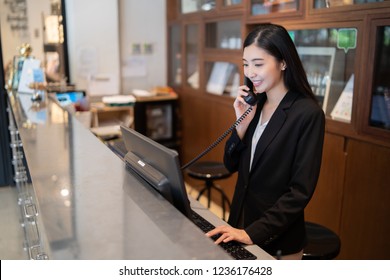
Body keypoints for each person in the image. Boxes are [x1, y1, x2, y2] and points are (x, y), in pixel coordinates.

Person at [206, 23, 325, 260]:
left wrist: (252, 234)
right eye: (246, 64)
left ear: (283, 62)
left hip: (277, 239)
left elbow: (299, 192)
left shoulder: (307, 114)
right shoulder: (255, 105)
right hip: (239, 223)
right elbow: (230, 165)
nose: (250, 72)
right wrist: (240, 125)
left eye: (258, 64)